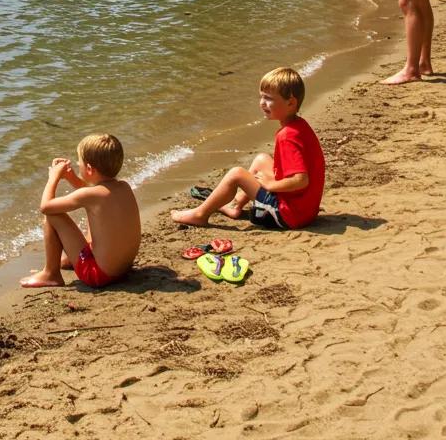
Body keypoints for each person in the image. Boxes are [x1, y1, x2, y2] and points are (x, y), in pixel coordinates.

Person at [171, 67, 325, 230]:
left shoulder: (287, 136)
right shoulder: (299, 126)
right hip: (305, 210)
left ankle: (199, 215)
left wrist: (270, 185)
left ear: (291, 102)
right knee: (261, 159)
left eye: (269, 98)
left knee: (236, 174)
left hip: (288, 216)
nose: (262, 103)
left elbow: (301, 180)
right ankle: (235, 204)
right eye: (262, 96)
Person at [20, 133, 141, 289]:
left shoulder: (92, 195)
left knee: (52, 215)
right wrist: (71, 177)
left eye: (80, 162)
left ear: (89, 169)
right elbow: (90, 193)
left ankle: (50, 274)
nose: (78, 163)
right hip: (122, 269)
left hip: (98, 275)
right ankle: (69, 261)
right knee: (67, 257)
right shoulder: (123, 187)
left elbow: (46, 206)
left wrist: (53, 177)